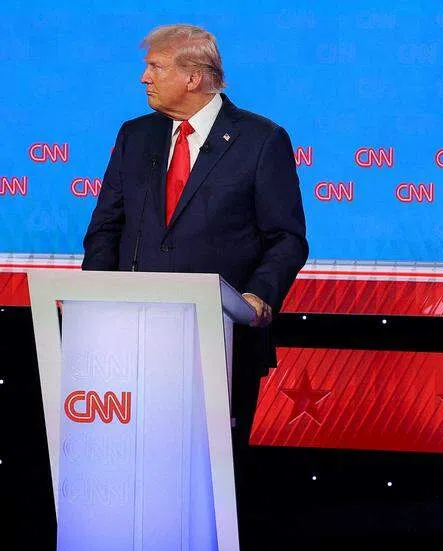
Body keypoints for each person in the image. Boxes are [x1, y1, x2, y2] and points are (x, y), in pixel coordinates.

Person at [82, 24, 308, 440]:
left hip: (222, 341)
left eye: (155, 67)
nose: (144, 78)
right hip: (132, 340)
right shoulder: (135, 135)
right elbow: (106, 229)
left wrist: (258, 295)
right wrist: (92, 303)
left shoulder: (261, 140)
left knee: (213, 468)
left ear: (192, 77)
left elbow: (286, 238)